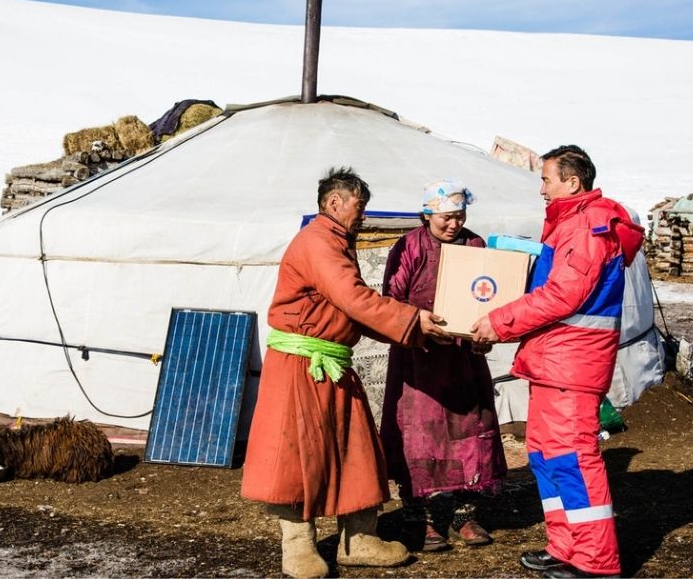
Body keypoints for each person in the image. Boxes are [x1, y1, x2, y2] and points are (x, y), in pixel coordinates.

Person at [240, 166, 452, 579]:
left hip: (333, 363)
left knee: (356, 448)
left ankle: (359, 540)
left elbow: (351, 307)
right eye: (359, 205)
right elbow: (352, 297)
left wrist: (417, 332)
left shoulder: (337, 241)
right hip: (300, 365)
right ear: (334, 202)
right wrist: (412, 320)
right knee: (297, 454)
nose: (363, 214)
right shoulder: (318, 242)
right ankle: (297, 545)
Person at [470, 146, 644, 579]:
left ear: (573, 182)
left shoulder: (587, 227)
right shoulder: (569, 225)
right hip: (554, 360)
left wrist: (498, 321)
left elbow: (564, 295)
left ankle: (595, 562)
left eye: (547, 180)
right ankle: (565, 546)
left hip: (573, 362)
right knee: (546, 455)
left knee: (571, 457)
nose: (542, 190)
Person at [379, 179, 507, 552]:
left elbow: (491, 293)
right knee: (420, 437)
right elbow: (391, 301)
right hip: (419, 360)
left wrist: (488, 332)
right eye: (446, 218)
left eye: (460, 216)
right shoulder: (409, 247)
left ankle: (465, 515)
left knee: (471, 432)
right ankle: (426, 520)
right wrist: (417, 323)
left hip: (463, 359)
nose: (454, 225)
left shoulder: (475, 245)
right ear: (427, 215)